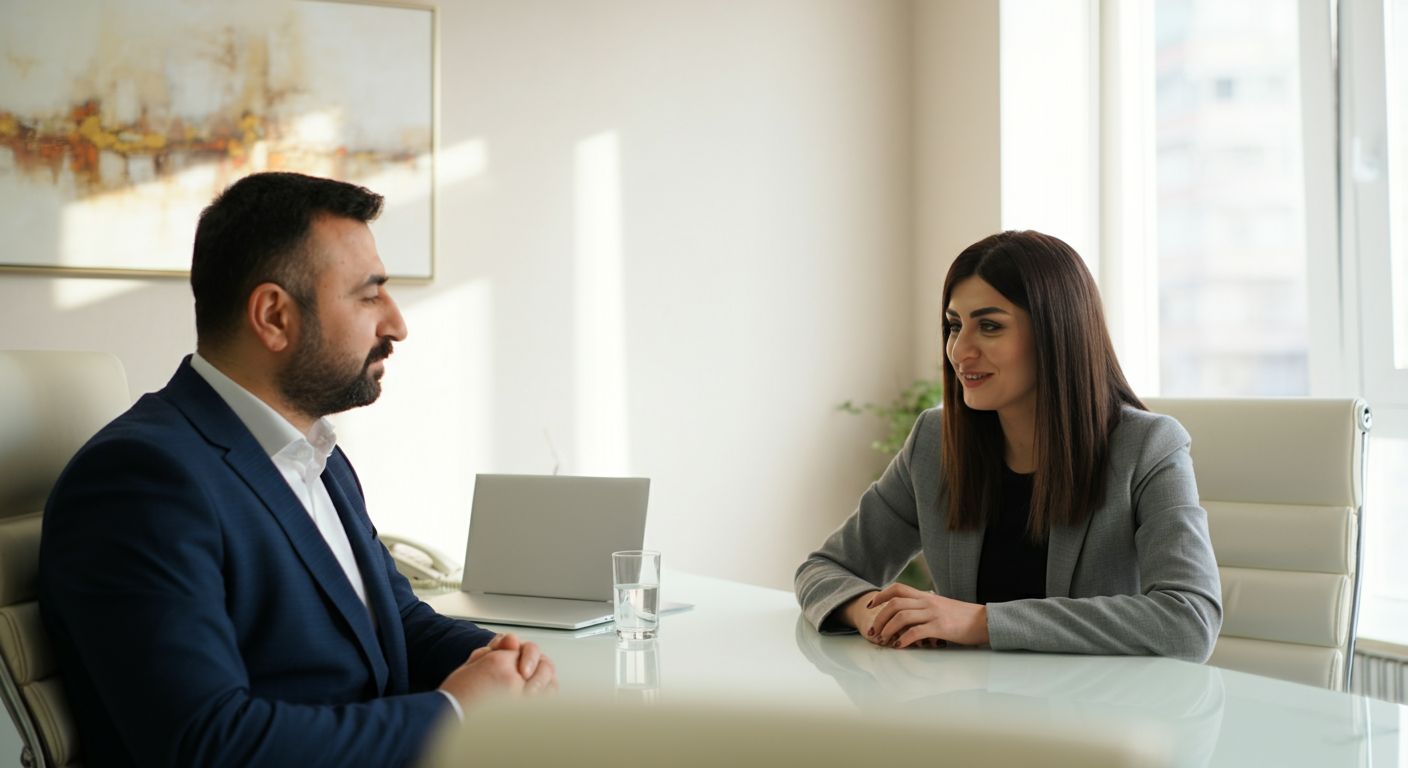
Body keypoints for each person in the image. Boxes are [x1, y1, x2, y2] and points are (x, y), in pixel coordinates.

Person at [39, 172, 556, 768]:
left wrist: (504, 660)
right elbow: (208, 742)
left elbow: (396, 624)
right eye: (369, 295)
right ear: (274, 317)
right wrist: (454, 714)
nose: (396, 324)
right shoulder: (142, 482)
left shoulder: (314, 455)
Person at [795, 230, 1222, 661]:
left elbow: (1188, 620)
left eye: (990, 326)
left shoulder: (1148, 447)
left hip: (1093, 716)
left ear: (1056, 334)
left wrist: (980, 622)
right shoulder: (934, 442)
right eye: (954, 326)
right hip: (968, 714)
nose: (960, 351)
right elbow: (824, 569)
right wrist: (869, 612)